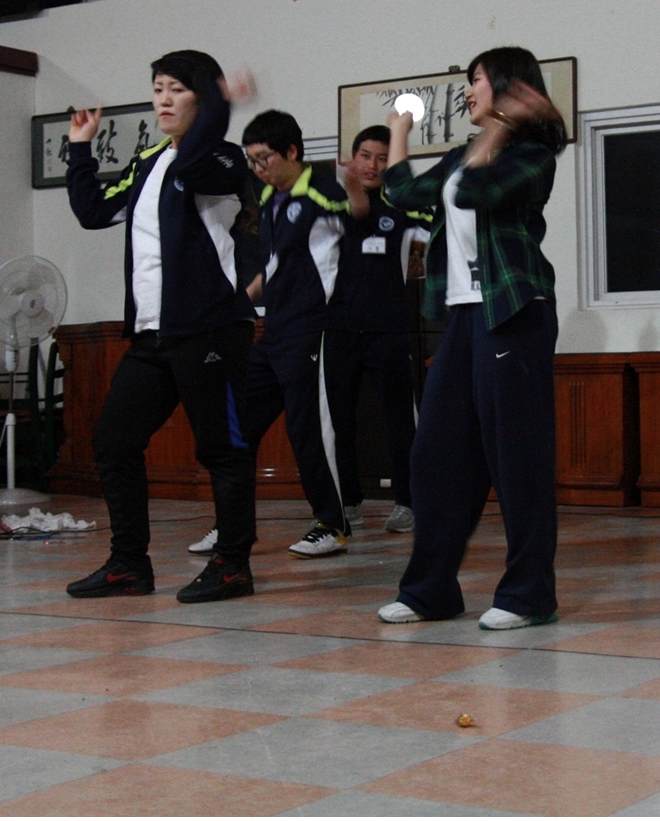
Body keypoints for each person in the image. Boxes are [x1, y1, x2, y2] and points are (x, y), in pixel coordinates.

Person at [374, 46, 566, 630]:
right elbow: (404, 195)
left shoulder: (533, 156)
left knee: (517, 460)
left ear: (507, 87)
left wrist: (503, 127)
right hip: (462, 318)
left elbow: (476, 192)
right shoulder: (463, 154)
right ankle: (430, 591)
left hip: (513, 313)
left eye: (477, 80)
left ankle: (528, 595)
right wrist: (399, 131)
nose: (468, 91)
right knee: (435, 454)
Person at [63, 50, 260, 603]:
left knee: (222, 449)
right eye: (157, 89)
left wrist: (219, 107)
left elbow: (193, 164)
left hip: (211, 329)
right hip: (153, 335)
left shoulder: (223, 158)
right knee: (113, 440)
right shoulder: (147, 162)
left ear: (203, 95)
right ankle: (128, 564)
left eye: (177, 89)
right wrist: (79, 148)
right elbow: (94, 211)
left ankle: (232, 566)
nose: (164, 100)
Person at [238, 109, 359, 557]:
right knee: (236, 424)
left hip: (313, 329)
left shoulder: (323, 191)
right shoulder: (270, 199)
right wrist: (243, 299)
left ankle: (332, 523)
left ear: (292, 151)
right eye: (251, 160)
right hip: (274, 331)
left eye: (264, 158)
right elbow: (275, 266)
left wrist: (355, 186)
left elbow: (358, 219)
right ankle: (232, 525)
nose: (258, 168)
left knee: (308, 429)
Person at [324, 125, 431, 534]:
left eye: (383, 158)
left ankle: (408, 501)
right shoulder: (331, 205)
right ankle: (348, 502)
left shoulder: (404, 207)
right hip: (338, 330)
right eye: (365, 156)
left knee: (400, 420)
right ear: (352, 159)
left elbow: (434, 233)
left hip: (389, 330)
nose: (372, 165)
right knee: (340, 421)